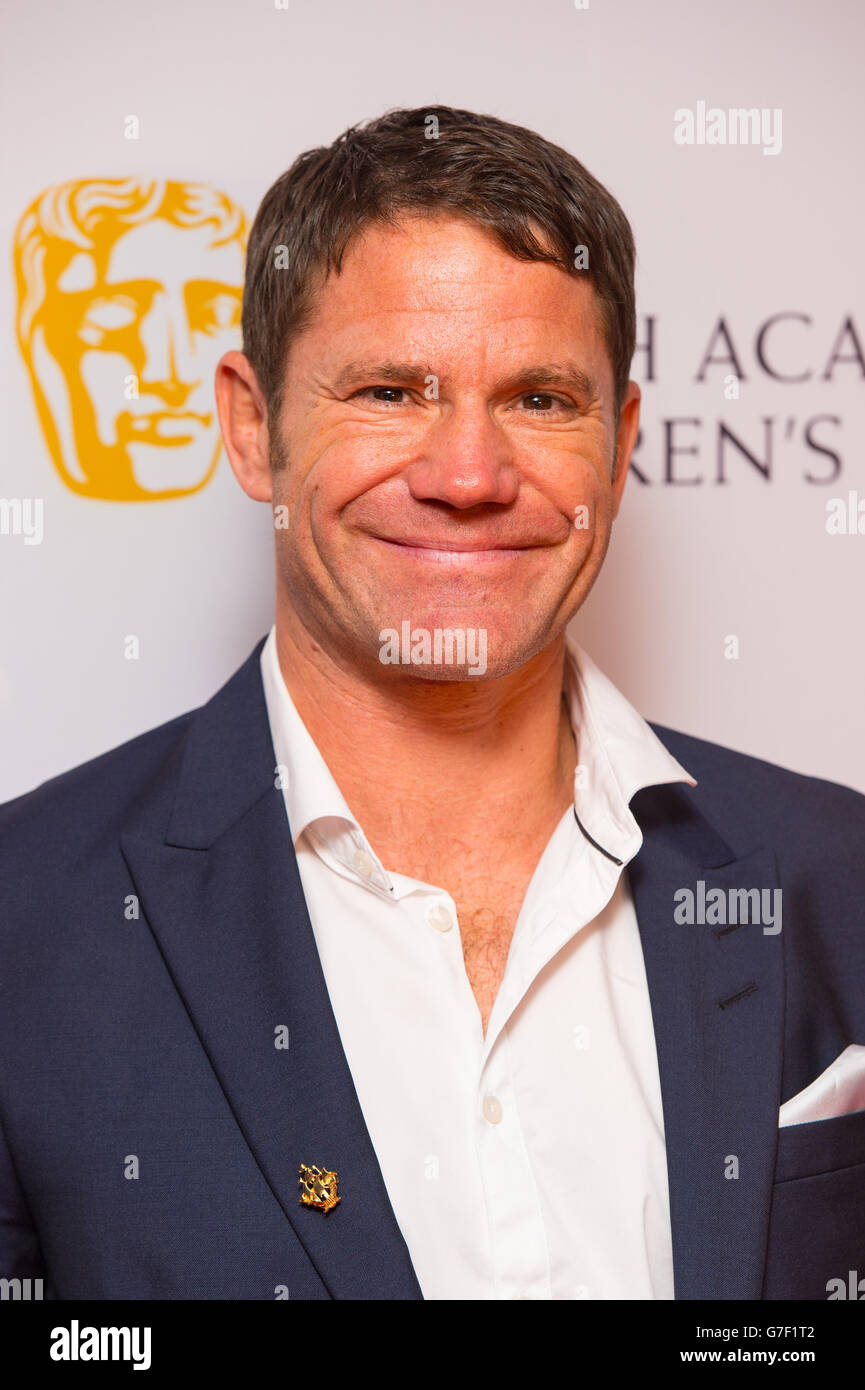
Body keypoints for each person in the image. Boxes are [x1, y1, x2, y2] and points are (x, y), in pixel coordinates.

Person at [2, 106, 864, 1302]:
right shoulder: (26, 916)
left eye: (540, 400)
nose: (468, 476)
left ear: (617, 449)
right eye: (391, 391)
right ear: (253, 427)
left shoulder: (839, 875)